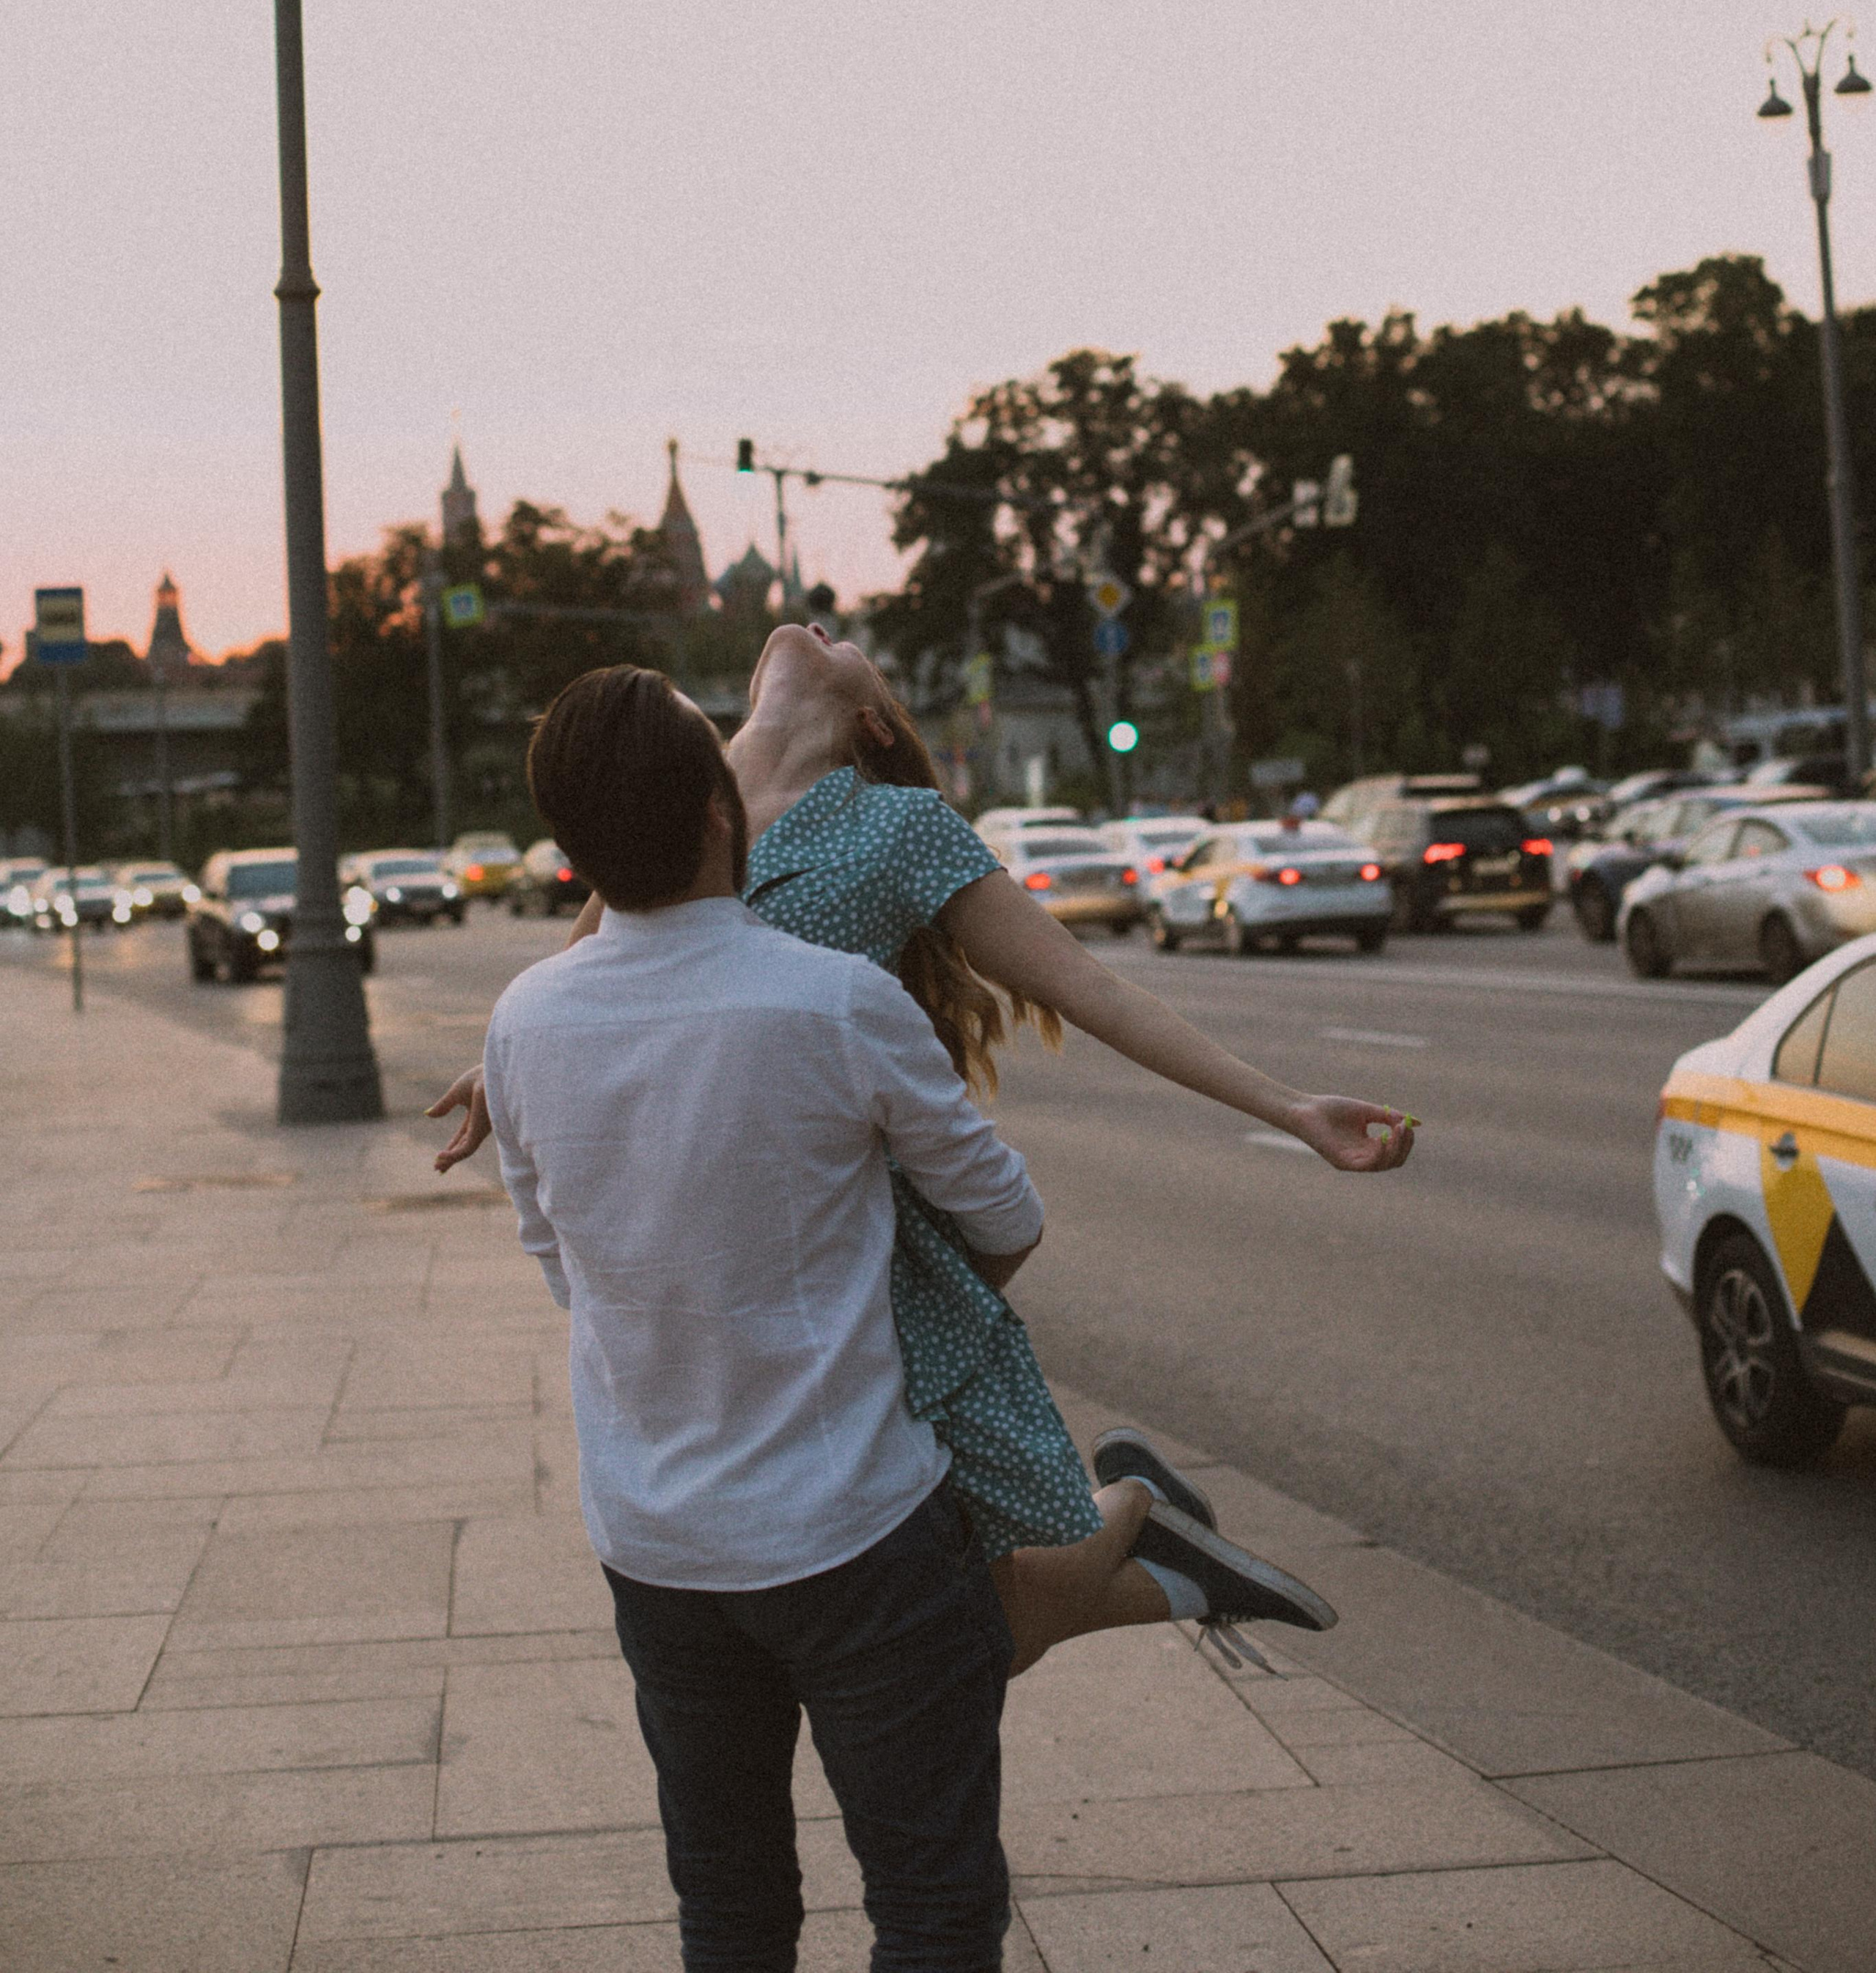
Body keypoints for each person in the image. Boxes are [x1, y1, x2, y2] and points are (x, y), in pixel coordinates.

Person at [432, 624, 1416, 1665]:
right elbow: (599, 976)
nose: (823, 629)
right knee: (942, 1624)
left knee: (938, 1619)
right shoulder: (674, 792)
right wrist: (499, 1069)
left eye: (849, 640)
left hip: (847, 1238)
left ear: (869, 720)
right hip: (724, 1231)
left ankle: (1134, 1516)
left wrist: (1289, 1108)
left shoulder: (898, 826)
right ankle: (1155, 1538)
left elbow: (1087, 986)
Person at [486, 663, 1033, 1970]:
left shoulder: (523, 1021)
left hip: (658, 1546)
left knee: (729, 1906)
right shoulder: (834, 999)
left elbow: (559, 1260)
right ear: (719, 813)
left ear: (573, 846)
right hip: (858, 1530)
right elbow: (1006, 1216)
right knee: (933, 1904)